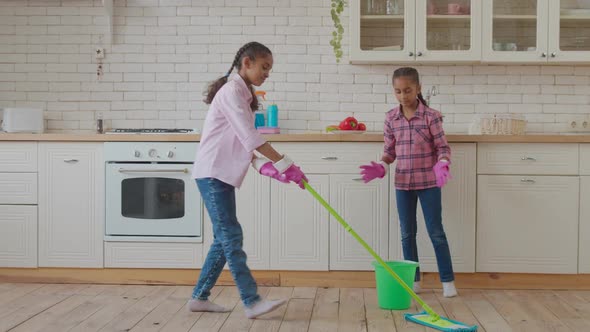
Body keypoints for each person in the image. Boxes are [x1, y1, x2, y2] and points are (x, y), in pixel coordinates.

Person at [190, 41, 308, 318]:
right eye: (264, 67)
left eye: (269, 68)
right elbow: (251, 138)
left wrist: (262, 166)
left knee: (224, 237)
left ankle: (199, 297)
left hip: (220, 173)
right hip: (212, 173)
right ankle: (251, 301)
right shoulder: (231, 91)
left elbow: (238, 141)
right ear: (247, 63)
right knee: (230, 235)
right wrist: (284, 163)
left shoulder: (241, 94)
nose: (267, 73)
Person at [359, 67, 457, 298]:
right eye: (398, 91)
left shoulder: (431, 117)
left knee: (436, 232)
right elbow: (389, 151)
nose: (403, 96)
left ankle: (448, 281)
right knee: (407, 233)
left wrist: (443, 162)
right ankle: (414, 281)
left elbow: (443, 147)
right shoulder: (391, 118)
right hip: (403, 183)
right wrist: (381, 165)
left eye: (408, 90)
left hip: (429, 182)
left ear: (418, 88)